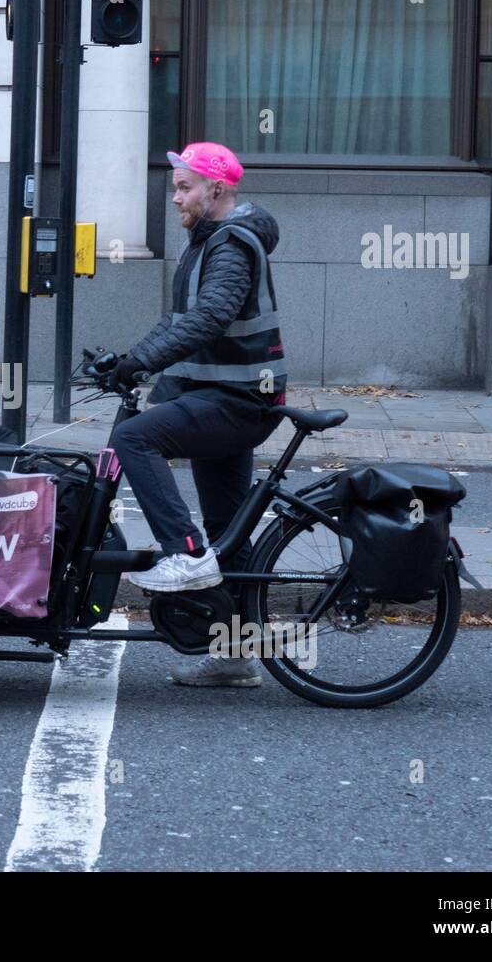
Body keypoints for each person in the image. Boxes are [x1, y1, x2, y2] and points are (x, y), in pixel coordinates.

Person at [108, 142, 287, 688]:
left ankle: (184, 554)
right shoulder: (208, 241)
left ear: (217, 189)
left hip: (237, 402)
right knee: (227, 529)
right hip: (232, 397)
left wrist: (140, 362)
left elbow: (209, 318)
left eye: (185, 187)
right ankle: (235, 655)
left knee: (135, 439)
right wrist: (129, 362)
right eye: (175, 187)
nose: (176, 197)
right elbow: (179, 319)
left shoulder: (230, 243)